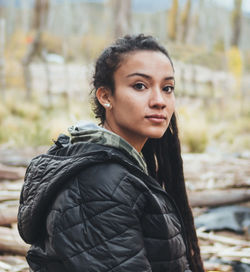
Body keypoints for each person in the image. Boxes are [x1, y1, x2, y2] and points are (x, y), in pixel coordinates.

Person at [18, 34, 204, 272]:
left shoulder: (121, 168)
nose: (159, 101)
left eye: (167, 88)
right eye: (140, 86)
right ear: (106, 96)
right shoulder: (98, 184)